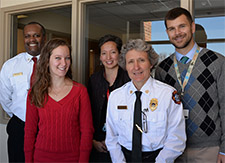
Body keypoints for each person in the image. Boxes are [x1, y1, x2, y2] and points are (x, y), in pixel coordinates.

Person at [155, 7, 225, 163]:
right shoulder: (162, 69)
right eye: (171, 29)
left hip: (209, 149)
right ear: (167, 33)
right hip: (173, 149)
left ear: (192, 27)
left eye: (182, 26)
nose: (177, 33)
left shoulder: (217, 62)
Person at [106, 39, 186, 163]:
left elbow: (176, 138)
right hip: (124, 158)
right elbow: (112, 138)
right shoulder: (116, 97)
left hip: (158, 159)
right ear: (125, 66)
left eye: (141, 60)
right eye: (130, 62)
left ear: (151, 63)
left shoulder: (167, 94)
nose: (136, 67)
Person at [24, 38, 94, 162]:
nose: (64, 63)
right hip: (41, 158)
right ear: (47, 61)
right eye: (58, 58)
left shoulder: (80, 92)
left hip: (73, 158)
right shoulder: (35, 92)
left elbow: (87, 132)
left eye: (67, 58)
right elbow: (30, 131)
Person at [0, 21, 46, 162]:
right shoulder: (10, 65)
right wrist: (21, 114)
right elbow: (4, 98)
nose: (31, 39)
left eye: (36, 35)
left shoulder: (54, 63)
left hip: (45, 127)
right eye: (27, 36)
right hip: (20, 127)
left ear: (44, 38)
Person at [88, 34, 130, 162]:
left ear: (120, 54)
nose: (108, 58)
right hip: (98, 143)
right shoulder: (94, 80)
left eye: (113, 52)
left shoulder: (129, 80)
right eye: (104, 53)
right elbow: (87, 113)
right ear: (100, 57)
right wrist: (93, 141)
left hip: (123, 144)